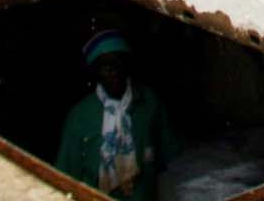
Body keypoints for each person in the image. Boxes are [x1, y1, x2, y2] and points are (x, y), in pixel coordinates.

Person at [56, 30, 178, 199]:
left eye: (118, 64)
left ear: (127, 65)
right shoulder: (81, 115)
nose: (113, 72)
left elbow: (166, 161)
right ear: (96, 72)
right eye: (105, 67)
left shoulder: (148, 102)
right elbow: (66, 174)